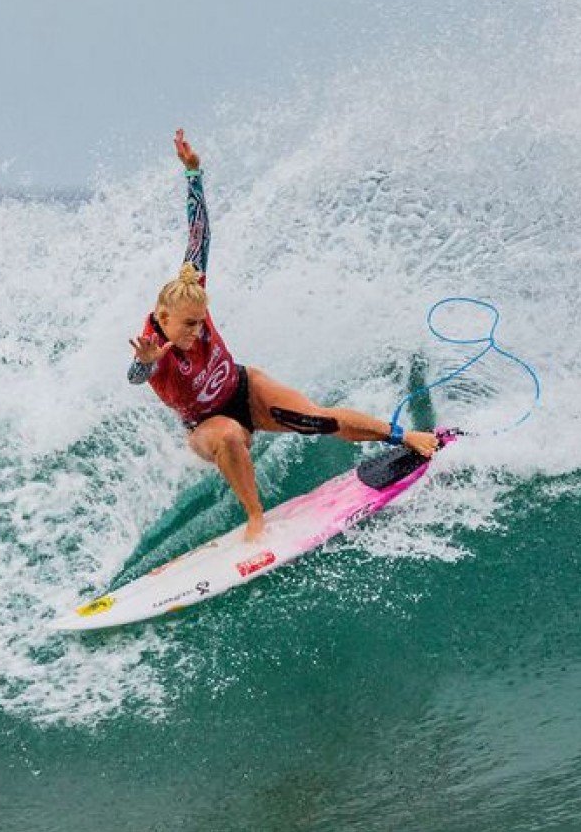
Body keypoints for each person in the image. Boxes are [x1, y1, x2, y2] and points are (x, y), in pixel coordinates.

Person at [128, 129, 438, 542]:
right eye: (188, 325)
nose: (197, 330)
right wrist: (145, 363)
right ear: (163, 316)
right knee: (229, 436)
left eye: (202, 321)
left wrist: (193, 173)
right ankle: (256, 518)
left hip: (244, 388)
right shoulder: (155, 349)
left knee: (318, 419)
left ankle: (404, 437)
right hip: (205, 423)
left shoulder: (189, 291)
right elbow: (135, 375)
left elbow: (199, 236)